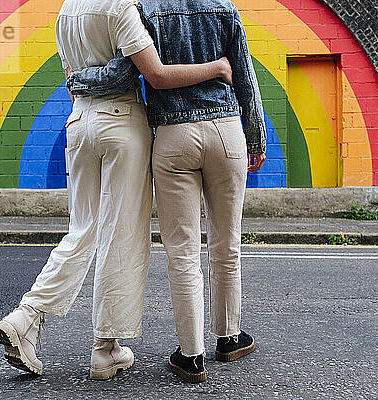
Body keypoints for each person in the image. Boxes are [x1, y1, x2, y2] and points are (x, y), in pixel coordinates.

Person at [0, 0, 233, 380]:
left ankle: (27, 316)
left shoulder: (66, 12)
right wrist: (218, 67)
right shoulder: (121, 8)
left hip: (80, 122)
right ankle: (105, 349)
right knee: (121, 235)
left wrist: (84, 93)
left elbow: (72, 79)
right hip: (121, 124)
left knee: (83, 230)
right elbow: (154, 74)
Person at [69, 0, 267, 383]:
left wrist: (79, 80)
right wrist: (256, 137)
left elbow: (121, 73)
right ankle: (229, 338)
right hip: (226, 132)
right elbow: (245, 73)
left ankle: (191, 356)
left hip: (174, 139)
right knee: (227, 243)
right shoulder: (223, 6)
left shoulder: (147, 10)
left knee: (183, 253)